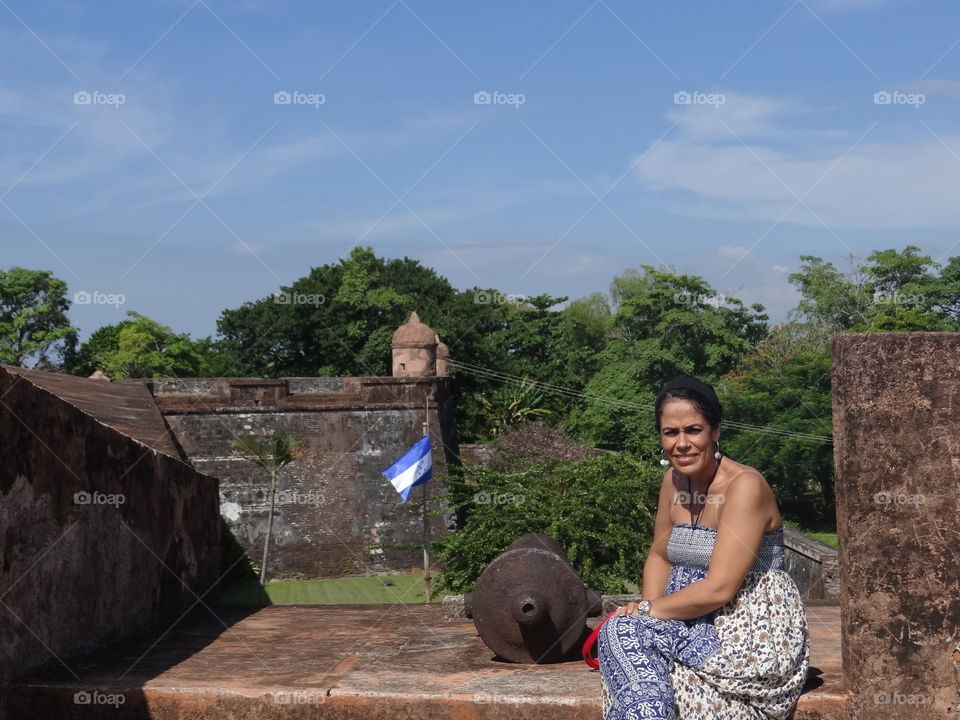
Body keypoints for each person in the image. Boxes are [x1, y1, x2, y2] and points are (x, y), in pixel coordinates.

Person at [598, 375, 809, 719]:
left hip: (745, 627)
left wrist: (648, 613)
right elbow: (660, 554)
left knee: (625, 634)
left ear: (715, 432)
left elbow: (720, 588)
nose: (681, 443)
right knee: (621, 633)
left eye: (693, 430)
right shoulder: (672, 481)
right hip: (684, 615)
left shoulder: (745, 486)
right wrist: (650, 609)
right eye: (671, 432)